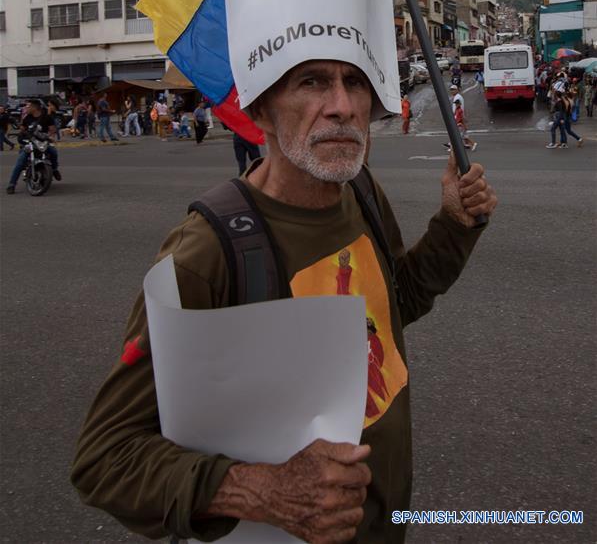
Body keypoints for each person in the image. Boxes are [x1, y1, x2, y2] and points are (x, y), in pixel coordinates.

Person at [72, 59, 497, 543]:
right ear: (261, 112)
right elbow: (106, 458)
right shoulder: (206, 253)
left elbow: (396, 304)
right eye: (311, 81)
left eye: (354, 82)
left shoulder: (359, 190)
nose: (341, 107)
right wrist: (262, 491)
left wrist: (455, 226)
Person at [6, 98, 61, 194]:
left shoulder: (46, 117)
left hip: (42, 142)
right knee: (20, 161)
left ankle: (55, 169)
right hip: (30, 143)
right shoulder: (27, 118)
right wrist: (21, 133)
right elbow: (22, 129)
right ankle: (12, 184)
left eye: (28, 106)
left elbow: (52, 129)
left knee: (53, 152)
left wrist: (50, 137)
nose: (26, 107)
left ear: (34, 107)